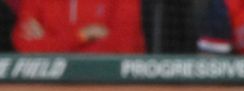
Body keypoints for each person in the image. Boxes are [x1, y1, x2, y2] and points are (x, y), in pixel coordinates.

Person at [11, 0, 145, 53]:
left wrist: (51, 44)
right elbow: (24, 44)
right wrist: (83, 36)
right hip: (47, 87)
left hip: (112, 85)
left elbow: (125, 46)